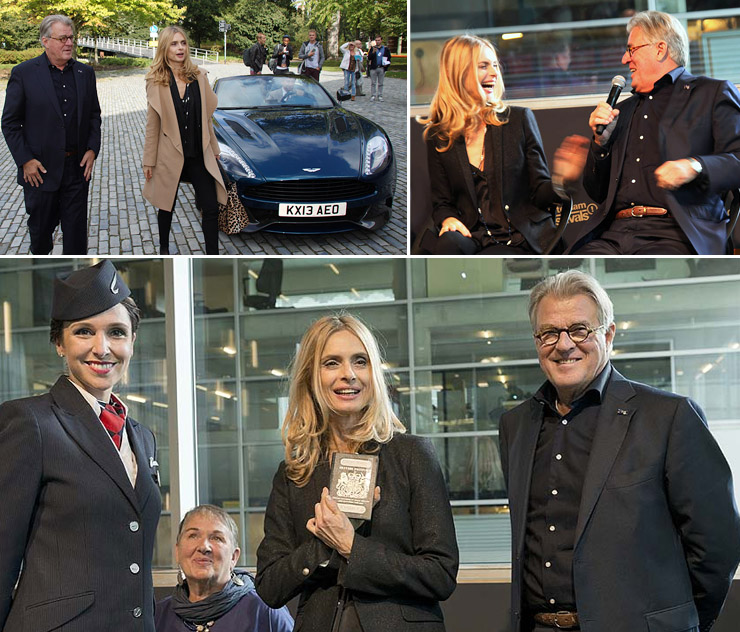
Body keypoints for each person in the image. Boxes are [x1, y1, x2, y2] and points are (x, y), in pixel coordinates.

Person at [499, 270, 740, 632]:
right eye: (549, 333)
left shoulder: (669, 417)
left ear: (608, 334)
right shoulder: (515, 426)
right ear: (536, 341)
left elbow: (717, 544)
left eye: (580, 330)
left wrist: (679, 620)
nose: (564, 345)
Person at [255, 314, 459, 631]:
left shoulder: (411, 455)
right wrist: (323, 545)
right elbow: (270, 587)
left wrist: (353, 547)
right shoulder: (294, 473)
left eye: (360, 361)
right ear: (311, 375)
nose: (348, 374)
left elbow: (441, 574)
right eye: (332, 363)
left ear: (373, 372)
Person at [0, 260, 162, 631]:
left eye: (117, 333)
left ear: (133, 341)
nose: (102, 348)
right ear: (59, 342)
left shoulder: (143, 437)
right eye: (84, 331)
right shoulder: (31, 423)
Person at [573, 10, 740, 255]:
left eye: (631, 50)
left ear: (660, 49)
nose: (624, 59)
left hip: (676, 232)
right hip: (614, 235)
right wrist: (600, 144)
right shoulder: (621, 111)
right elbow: (597, 193)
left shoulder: (710, 94)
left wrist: (693, 166)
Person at [419, 35, 588, 255]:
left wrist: (561, 179)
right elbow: (442, 202)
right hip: (475, 239)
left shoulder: (518, 120)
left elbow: (540, 194)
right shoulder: (439, 135)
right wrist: (449, 219)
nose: (494, 73)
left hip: (522, 237)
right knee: (448, 244)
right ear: (457, 74)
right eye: (483, 66)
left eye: (495, 66)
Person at [1, 14, 101, 255]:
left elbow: (94, 116)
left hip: (77, 170)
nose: (69, 43)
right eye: (62, 38)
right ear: (45, 41)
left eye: (71, 38)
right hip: (40, 172)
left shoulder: (85, 74)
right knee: (40, 236)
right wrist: (25, 160)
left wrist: (91, 148)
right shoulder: (24, 73)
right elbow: (10, 123)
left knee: (76, 240)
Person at [142, 25, 227, 255]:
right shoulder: (156, 80)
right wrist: (148, 160)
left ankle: (212, 254)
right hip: (170, 153)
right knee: (166, 205)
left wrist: (215, 150)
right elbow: (153, 125)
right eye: (173, 43)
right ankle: (164, 249)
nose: (180, 48)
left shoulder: (198, 76)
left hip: (198, 153)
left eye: (183, 43)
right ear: (164, 48)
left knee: (210, 206)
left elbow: (207, 118)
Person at [155, 504, 293, 632]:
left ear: (234, 557)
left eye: (216, 538)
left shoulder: (263, 610)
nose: (204, 547)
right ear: (177, 552)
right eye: (193, 535)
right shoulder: (158, 615)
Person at [367, 35, 391, 102]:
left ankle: (380, 95)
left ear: (381, 40)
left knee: (381, 83)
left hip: (381, 67)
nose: (377, 41)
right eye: (376, 40)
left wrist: (387, 65)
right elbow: (369, 58)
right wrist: (373, 52)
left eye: (379, 40)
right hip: (374, 68)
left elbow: (389, 58)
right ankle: (373, 95)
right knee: (373, 83)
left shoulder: (385, 49)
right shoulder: (372, 48)